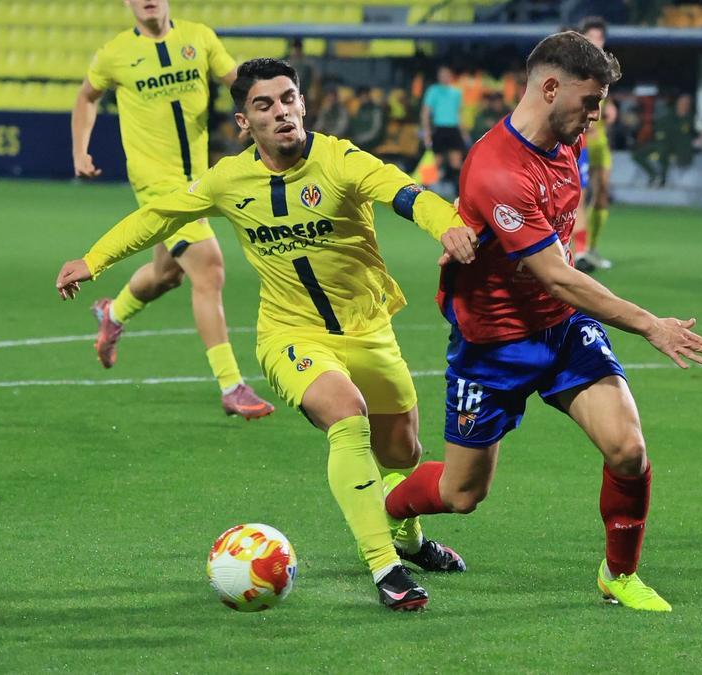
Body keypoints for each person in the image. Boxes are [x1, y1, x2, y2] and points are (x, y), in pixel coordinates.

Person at [56, 58, 478, 611]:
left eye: (287, 99)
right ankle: (385, 568)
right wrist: (94, 258)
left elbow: (405, 193)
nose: (280, 111)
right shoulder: (229, 180)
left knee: (403, 452)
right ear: (242, 122)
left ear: (302, 104)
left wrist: (445, 222)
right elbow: (159, 216)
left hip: (370, 330)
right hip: (289, 334)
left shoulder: (339, 159)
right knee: (347, 420)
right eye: (264, 104)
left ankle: (408, 537)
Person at [383, 31, 702, 612]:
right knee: (460, 494)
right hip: (493, 345)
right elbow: (558, 274)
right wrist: (649, 324)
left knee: (628, 451)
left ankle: (619, 575)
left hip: (563, 331)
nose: (597, 114)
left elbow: (556, 258)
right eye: (590, 102)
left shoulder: (569, 141)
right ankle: (388, 510)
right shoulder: (496, 169)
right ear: (550, 87)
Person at [71, 0, 273, 419]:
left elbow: (238, 83)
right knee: (210, 268)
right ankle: (231, 385)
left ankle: (113, 312)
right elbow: (87, 97)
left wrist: (254, 114)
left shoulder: (198, 38)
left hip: (198, 181)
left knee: (166, 275)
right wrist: (80, 150)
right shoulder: (115, 54)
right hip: (156, 185)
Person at [574, 16, 614, 273]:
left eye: (600, 37)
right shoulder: (577, 67)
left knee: (601, 197)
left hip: (601, 143)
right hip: (584, 140)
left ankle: (591, 247)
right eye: (592, 37)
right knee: (579, 196)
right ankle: (578, 252)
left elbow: (603, 101)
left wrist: (612, 110)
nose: (597, 42)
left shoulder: (607, 68)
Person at [421, 64, 468, 196]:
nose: (444, 77)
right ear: (438, 76)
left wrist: (463, 133)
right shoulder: (433, 90)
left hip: (453, 129)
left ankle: (460, 192)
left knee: (457, 162)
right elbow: (425, 113)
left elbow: (459, 114)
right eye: (442, 74)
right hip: (439, 128)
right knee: (434, 161)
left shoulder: (457, 92)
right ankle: (423, 191)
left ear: (451, 76)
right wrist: (426, 133)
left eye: (447, 74)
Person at [631, 93, 696, 187]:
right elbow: (658, 128)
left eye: (686, 103)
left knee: (663, 153)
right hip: (660, 143)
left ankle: (662, 178)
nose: (684, 105)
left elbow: (686, 135)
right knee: (638, 155)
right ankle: (653, 174)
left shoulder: (690, 118)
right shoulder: (669, 113)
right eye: (682, 102)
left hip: (675, 147)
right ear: (678, 103)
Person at [347, 86, 385, 152]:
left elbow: (375, 131)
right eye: (360, 96)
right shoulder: (358, 109)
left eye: (364, 95)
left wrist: (359, 139)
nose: (362, 98)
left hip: (370, 142)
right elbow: (353, 126)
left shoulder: (375, 110)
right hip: (357, 140)